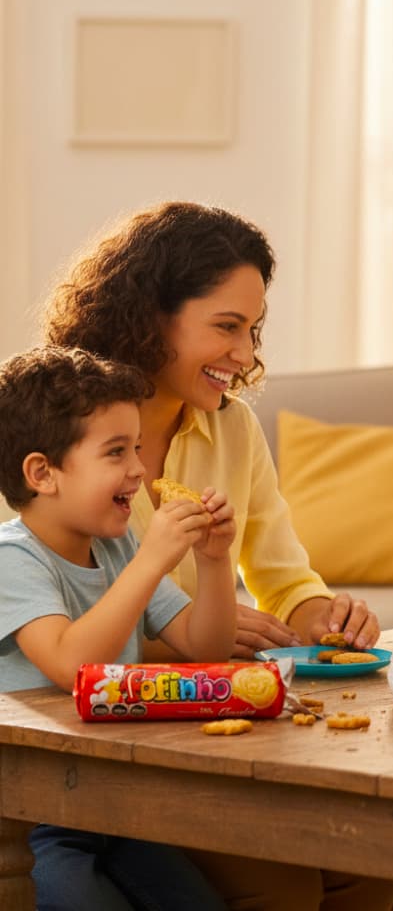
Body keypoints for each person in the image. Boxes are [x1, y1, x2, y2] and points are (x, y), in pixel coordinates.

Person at [42, 201, 393, 910]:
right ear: (150, 319)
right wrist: (191, 630)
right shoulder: (51, 436)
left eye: (253, 329)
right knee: (290, 886)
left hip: (213, 722)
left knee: (375, 860)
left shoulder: (231, 428)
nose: (245, 354)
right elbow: (40, 610)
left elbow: (284, 576)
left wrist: (327, 618)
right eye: (226, 327)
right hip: (104, 733)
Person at [0, 345, 235, 911]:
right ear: (43, 473)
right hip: (34, 818)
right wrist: (152, 559)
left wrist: (214, 560)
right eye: (115, 452)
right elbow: (70, 667)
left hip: (115, 804)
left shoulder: (117, 545)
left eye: (137, 448)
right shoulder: (12, 560)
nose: (139, 468)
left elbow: (206, 646)